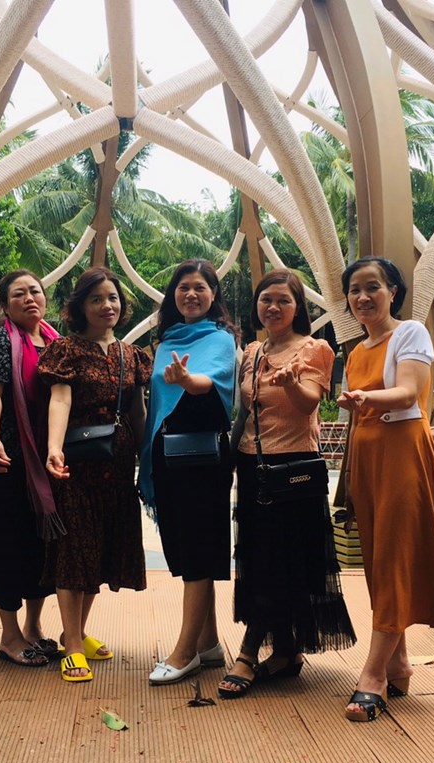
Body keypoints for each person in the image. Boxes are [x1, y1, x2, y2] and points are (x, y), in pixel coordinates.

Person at [337, 256, 434, 722]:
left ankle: (373, 674)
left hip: (400, 451)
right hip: (367, 458)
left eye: (372, 286)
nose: (363, 297)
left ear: (393, 291)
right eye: (355, 289)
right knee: (379, 560)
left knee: (393, 556)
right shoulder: (356, 351)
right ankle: (399, 664)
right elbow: (354, 415)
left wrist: (364, 398)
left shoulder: (410, 333)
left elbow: (409, 392)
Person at [217, 268, 356, 699]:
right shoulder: (253, 350)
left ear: (298, 308)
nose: (273, 307)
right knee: (260, 557)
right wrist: (229, 460)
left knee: (283, 560)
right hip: (253, 467)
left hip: (293, 470)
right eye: (266, 299)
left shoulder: (314, 349)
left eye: (283, 300)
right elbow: (245, 412)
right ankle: (286, 651)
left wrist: (292, 383)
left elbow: (309, 404)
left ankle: (247, 653)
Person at [40, 266, 153, 683]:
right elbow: (60, 400)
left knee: (100, 549)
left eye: (113, 298)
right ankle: (71, 646)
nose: (107, 305)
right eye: (96, 299)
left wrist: (147, 459)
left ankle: (77, 632)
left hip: (118, 464)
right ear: (80, 306)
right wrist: (54, 447)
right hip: (77, 464)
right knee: (75, 550)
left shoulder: (130, 355)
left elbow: (138, 412)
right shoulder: (66, 349)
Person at [138, 259, 237, 685]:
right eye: (183, 287)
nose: (191, 294)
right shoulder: (167, 340)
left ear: (214, 295)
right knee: (187, 549)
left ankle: (184, 653)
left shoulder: (220, 339)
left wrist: (186, 380)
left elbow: (210, 383)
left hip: (202, 460)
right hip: (168, 456)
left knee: (198, 551)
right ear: (173, 295)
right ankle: (208, 642)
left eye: (200, 287)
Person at [0, 270, 62, 667]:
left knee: (41, 544)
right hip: (9, 458)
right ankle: (9, 636)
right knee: (8, 544)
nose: (29, 298)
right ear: (4, 305)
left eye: (35, 291)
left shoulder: (57, 342)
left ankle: (33, 627)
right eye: (18, 294)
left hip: (48, 460)